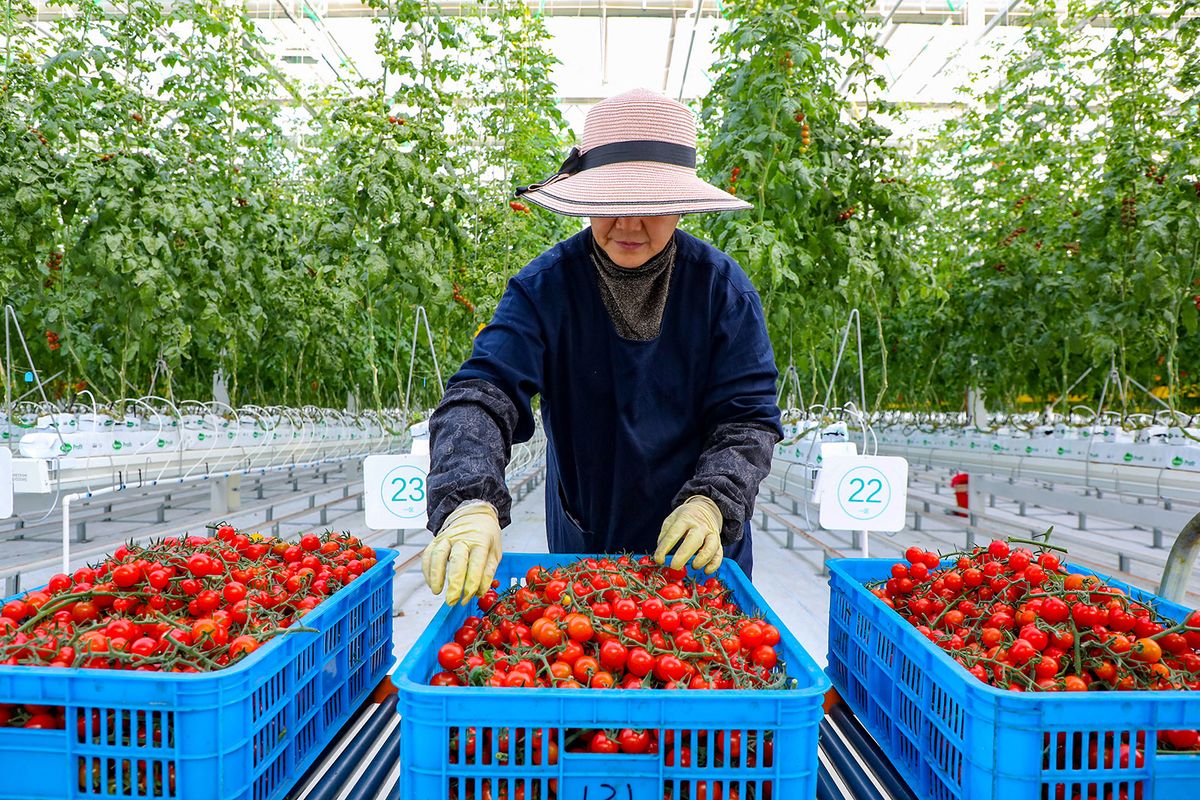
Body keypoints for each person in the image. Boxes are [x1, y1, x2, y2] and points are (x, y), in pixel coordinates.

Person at [420, 88, 782, 604]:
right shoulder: (545, 288)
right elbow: (484, 390)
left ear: (681, 205)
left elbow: (748, 417)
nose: (628, 225)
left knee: (704, 663)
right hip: (585, 536)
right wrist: (468, 497)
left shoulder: (721, 292)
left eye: (651, 207)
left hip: (700, 551)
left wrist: (713, 500)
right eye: (612, 203)